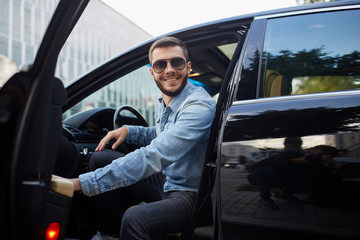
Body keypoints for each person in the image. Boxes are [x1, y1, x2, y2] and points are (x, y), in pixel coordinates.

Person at [53, 36, 216, 239]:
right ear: (152, 72)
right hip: (167, 179)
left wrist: (80, 183)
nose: (169, 70)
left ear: (188, 67)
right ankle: (108, 232)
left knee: (133, 219)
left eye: (177, 62)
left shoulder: (199, 106)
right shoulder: (164, 99)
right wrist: (129, 131)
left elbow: (155, 155)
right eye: (160, 65)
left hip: (191, 194)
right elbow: (162, 135)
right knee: (99, 158)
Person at [247, 142, 339, 210]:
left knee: (315, 176)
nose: (317, 156)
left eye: (323, 155)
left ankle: (284, 193)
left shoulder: (317, 166)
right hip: (257, 177)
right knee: (265, 169)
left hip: (281, 181)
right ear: (310, 150)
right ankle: (264, 198)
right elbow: (259, 166)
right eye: (316, 153)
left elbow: (332, 182)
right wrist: (295, 161)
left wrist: (332, 167)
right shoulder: (289, 154)